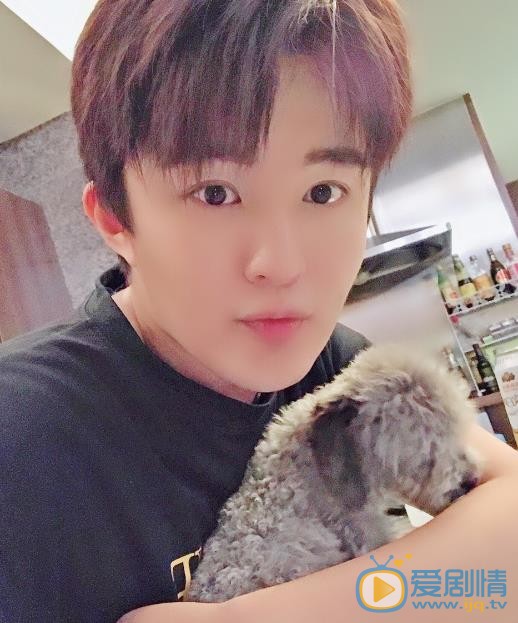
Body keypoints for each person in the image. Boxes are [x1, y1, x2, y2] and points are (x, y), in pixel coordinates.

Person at [1, 1, 517, 622]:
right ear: (115, 218)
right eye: (215, 193)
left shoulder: (334, 368)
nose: (281, 263)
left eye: (322, 191)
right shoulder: (23, 435)